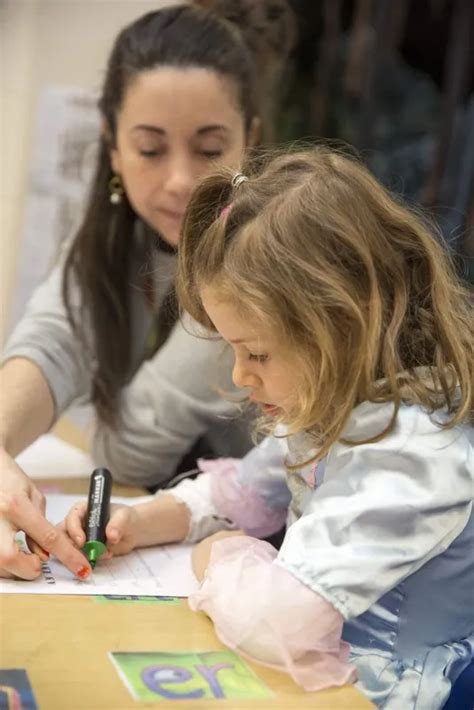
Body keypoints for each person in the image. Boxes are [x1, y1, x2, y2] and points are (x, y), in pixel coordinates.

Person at [62, 146, 473, 707]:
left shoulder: (416, 455)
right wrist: (141, 520)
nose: (240, 375)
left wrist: (223, 554)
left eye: (256, 353)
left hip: (375, 692)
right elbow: (248, 487)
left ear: (341, 327)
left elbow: (280, 623)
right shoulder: (338, 405)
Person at [0, 2, 296, 581]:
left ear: (250, 141)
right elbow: (50, 345)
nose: (181, 179)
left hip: (287, 558)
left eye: (210, 149)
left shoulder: (270, 263)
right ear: (112, 145)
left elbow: (129, 450)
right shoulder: (113, 241)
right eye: (151, 149)